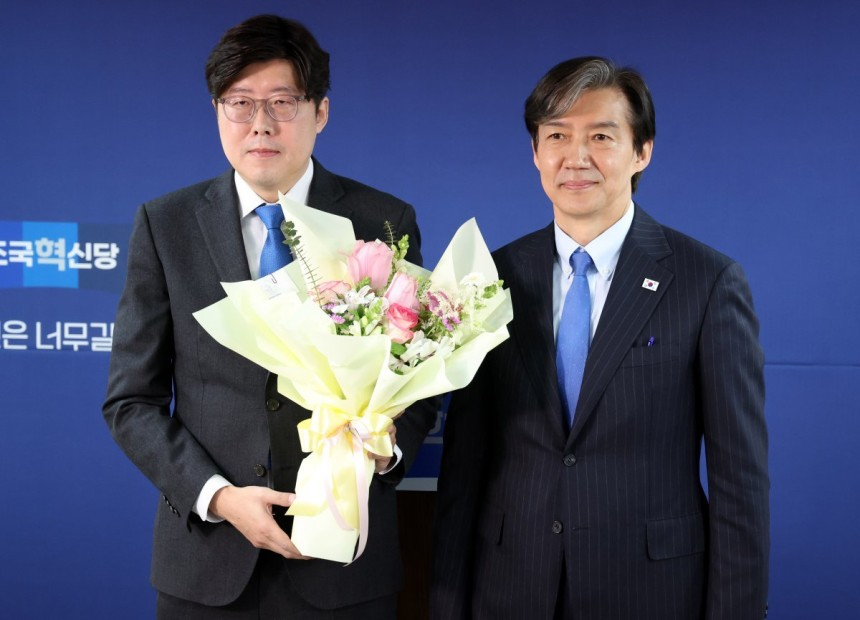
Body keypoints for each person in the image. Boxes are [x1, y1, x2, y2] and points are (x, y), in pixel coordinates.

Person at [103, 14, 435, 619]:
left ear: (321, 112)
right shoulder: (166, 224)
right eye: (240, 103)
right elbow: (132, 401)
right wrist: (219, 497)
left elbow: (420, 380)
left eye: (283, 101)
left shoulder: (384, 221)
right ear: (217, 111)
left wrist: (382, 450)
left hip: (344, 565)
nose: (261, 123)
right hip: (207, 562)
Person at [431, 57, 769, 619]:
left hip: (651, 592)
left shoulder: (706, 282)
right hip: (510, 589)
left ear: (643, 152)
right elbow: (463, 468)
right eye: (557, 135)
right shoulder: (488, 280)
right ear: (536, 152)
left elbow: (741, 483)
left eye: (602, 136)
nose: (576, 157)